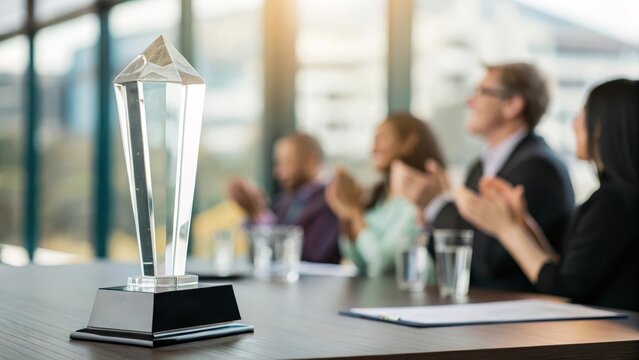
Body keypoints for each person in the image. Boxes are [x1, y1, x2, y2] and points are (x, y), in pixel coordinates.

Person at [454, 79, 639, 311]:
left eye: (585, 113)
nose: (575, 122)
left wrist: (506, 229)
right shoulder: (616, 198)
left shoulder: (614, 202)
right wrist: (523, 224)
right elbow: (568, 271)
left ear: (603, 126)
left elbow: (565, 289)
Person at [393, 63, 575, 292]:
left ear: (512, 105)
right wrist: (430, 218)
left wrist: (437, 203)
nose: (469, 102)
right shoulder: (479, 167)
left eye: (481, 92)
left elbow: (490, 261)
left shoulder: (538, 168)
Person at [325, 112, 445, 277]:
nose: (373, 149)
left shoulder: (420, 199)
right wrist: (346, 217)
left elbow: (382, 263)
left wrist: (355, 213)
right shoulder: (380, 196)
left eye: (381, 139)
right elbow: (360, 262)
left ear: (409, 142)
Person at [227, 132, 340, 264]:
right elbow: (258, 257)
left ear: (311, 161)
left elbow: (310, 257)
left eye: (286, 163)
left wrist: (259, 216)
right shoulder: (283, 203)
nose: (277, 172)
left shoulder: (332, 202)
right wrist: (255, 217)